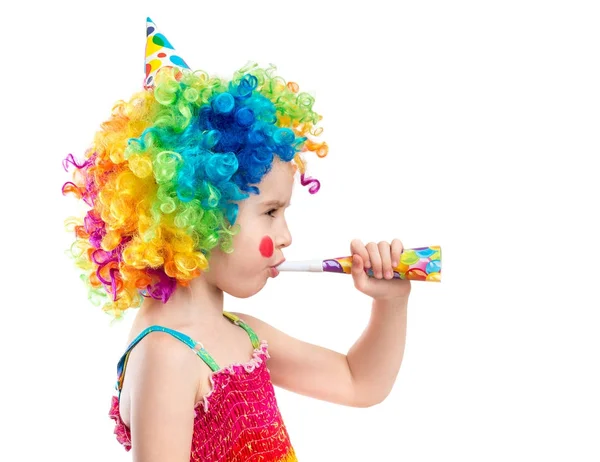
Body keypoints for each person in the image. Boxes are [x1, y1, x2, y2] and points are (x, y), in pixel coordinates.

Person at [62, 18, 411, 462]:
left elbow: (359, 382)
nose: (286, 235)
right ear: (196, 218)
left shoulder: (240, 334)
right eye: (270, 212)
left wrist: (391, 302)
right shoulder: (167, 356)